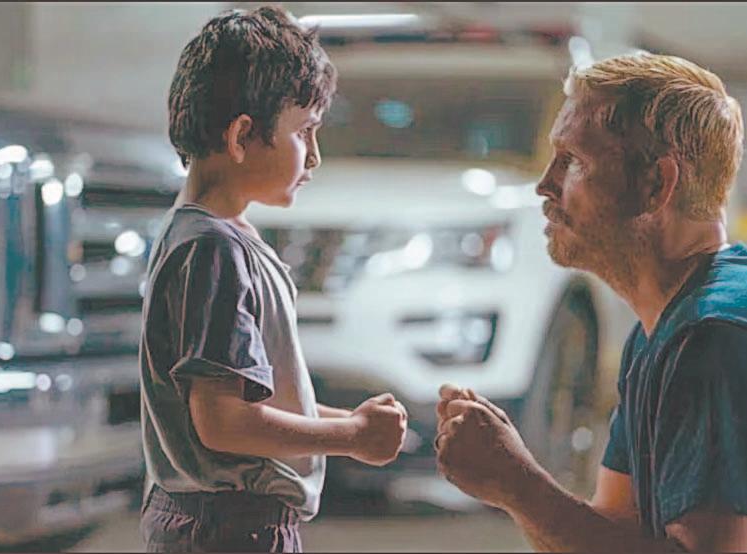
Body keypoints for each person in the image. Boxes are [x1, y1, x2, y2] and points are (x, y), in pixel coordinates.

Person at [435, 52, 747, 551]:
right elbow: (611, 530)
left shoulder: (714, 337)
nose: (546, 185)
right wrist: (512, 482)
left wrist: (517, 484)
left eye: (573, 161)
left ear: (655, 184)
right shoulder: (660, 331)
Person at [138, 6, 408, 552]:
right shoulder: (214, 249)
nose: (315, 156)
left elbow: (246, 401)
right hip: (231, 529)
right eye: (304, 132)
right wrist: (351, 437)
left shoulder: (202, 235)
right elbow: (223, 422)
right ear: (242, 136)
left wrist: (348, 421)